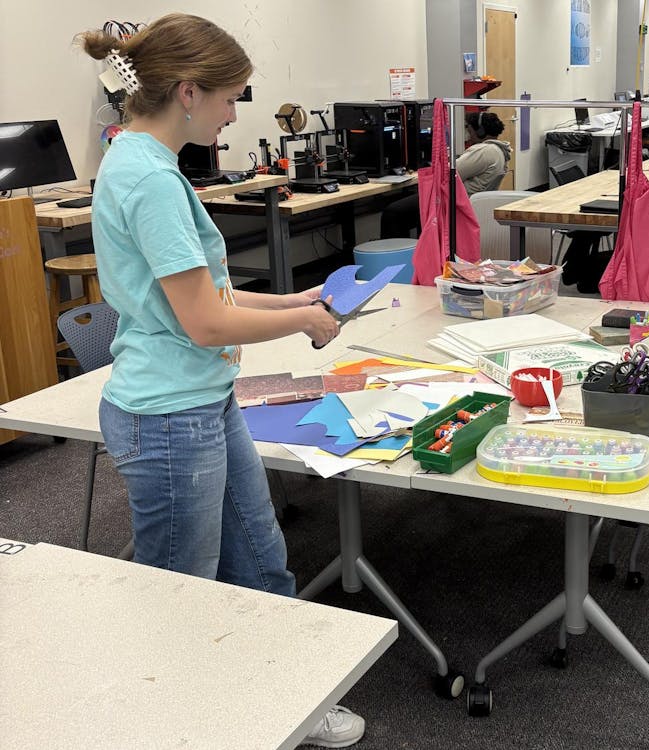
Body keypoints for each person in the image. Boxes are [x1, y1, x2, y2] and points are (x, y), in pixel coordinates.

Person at [77, 14, 363, 749]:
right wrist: (302, 324)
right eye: (231, 98)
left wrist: (295, 300)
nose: (235, 115)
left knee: (261, 563)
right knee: (184, 600)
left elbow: (208, 297)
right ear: (188, 91)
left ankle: (287, 701)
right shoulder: (150, 179)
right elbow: (205, 322)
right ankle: (180, 728)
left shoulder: (139, 158)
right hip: (169, 416)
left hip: (201, 401)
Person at [379, 111, 511, 238]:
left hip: (452, 203)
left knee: (393, 212)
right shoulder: (499, 150)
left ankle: (399, 252)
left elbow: (447, 173)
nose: (468, 136)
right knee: (411, 205)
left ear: (480, 131)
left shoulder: (485, 151)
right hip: (462, 202)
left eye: (469, 130)